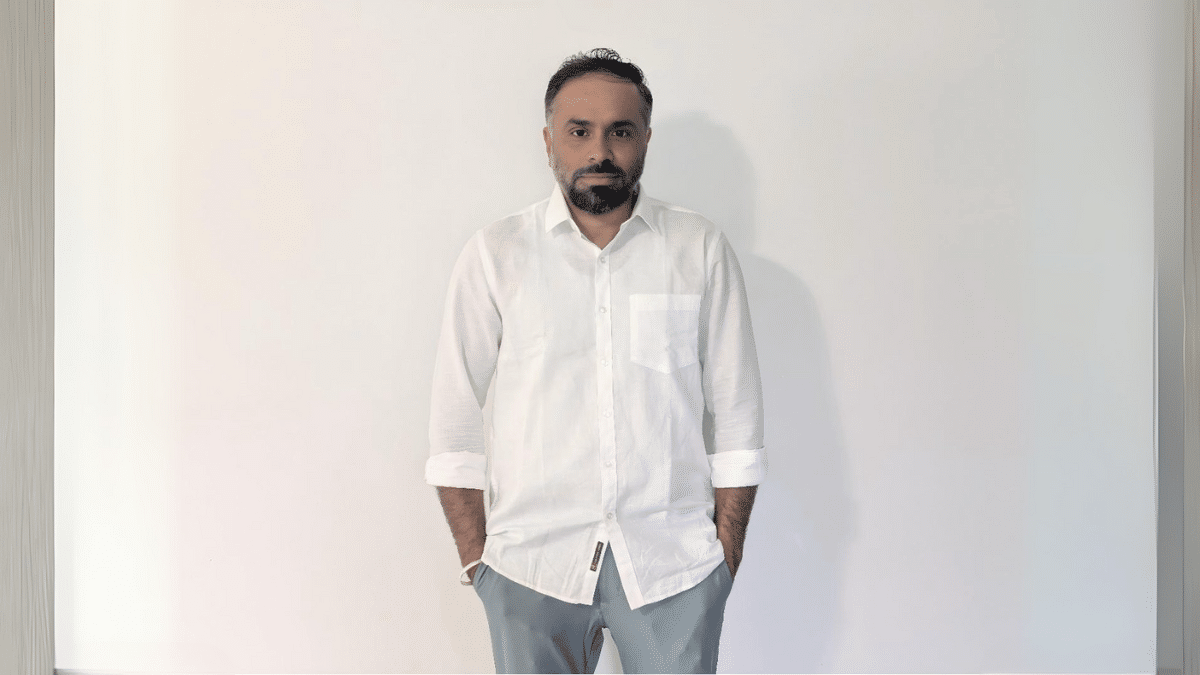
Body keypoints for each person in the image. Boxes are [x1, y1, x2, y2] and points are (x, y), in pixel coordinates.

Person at [426, 48, 765, 674]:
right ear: (548, 141)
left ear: (646, 140)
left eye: (620, 131)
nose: (599, 151)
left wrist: (724, 556)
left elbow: (738, 412)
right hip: (530, 565)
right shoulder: (497, 255)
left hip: (673, 565)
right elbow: (454, 415)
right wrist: (478, 559)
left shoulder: (698, 249)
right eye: (579, 131)